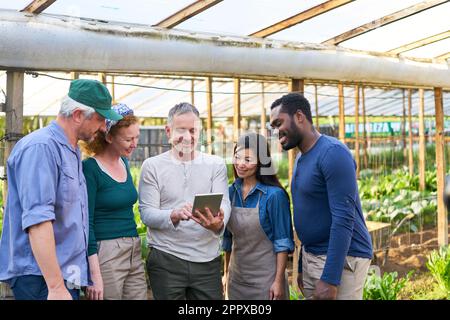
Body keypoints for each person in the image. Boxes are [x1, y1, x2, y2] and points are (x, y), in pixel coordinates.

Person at [0, 79, 122, 300]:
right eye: (100, 119)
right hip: (41, 279)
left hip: (63, 275)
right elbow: (38, 222)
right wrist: (56, 286)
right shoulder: (41, 148)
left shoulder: (71, 150)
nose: (104, 127)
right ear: (77, 115)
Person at [269, 92, 373, 300]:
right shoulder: (301, 158)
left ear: (299, 116)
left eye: (279, 123)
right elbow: (307, 213)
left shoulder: (333, 153)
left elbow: (344, 219)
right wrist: (301, 263)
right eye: (273, 127)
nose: (276, 131)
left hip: (342, 260)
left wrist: (330, 278)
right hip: (312, 256)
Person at [138, 102, 231, 300]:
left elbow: (224, 203)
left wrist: (219, 221)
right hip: (167, 259)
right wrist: (173, 214)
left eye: (193, 130)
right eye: (181, 130)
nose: (188, 137)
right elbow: (147, 214)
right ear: (168, 130)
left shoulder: (215, 164)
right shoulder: (152, 166)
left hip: (207, 260)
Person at [82, 103, 147, 300]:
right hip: (106, 252)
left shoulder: (124, 162)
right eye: (128, 139)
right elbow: (87, 222)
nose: (134, 144)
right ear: (109, 137)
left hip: (133, 248)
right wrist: (94, 274)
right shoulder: (90, 169)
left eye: (136, 137)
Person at [223, 133, 294, 300]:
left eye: (248, 160)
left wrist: (278, 282)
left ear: (261, 161)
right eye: (237, 157)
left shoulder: (274, 196)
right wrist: (226, 274)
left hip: (267, 282)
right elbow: (227, 240)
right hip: (236, 281)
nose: (240, 164)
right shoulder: (230, 192)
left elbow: (282, 242)